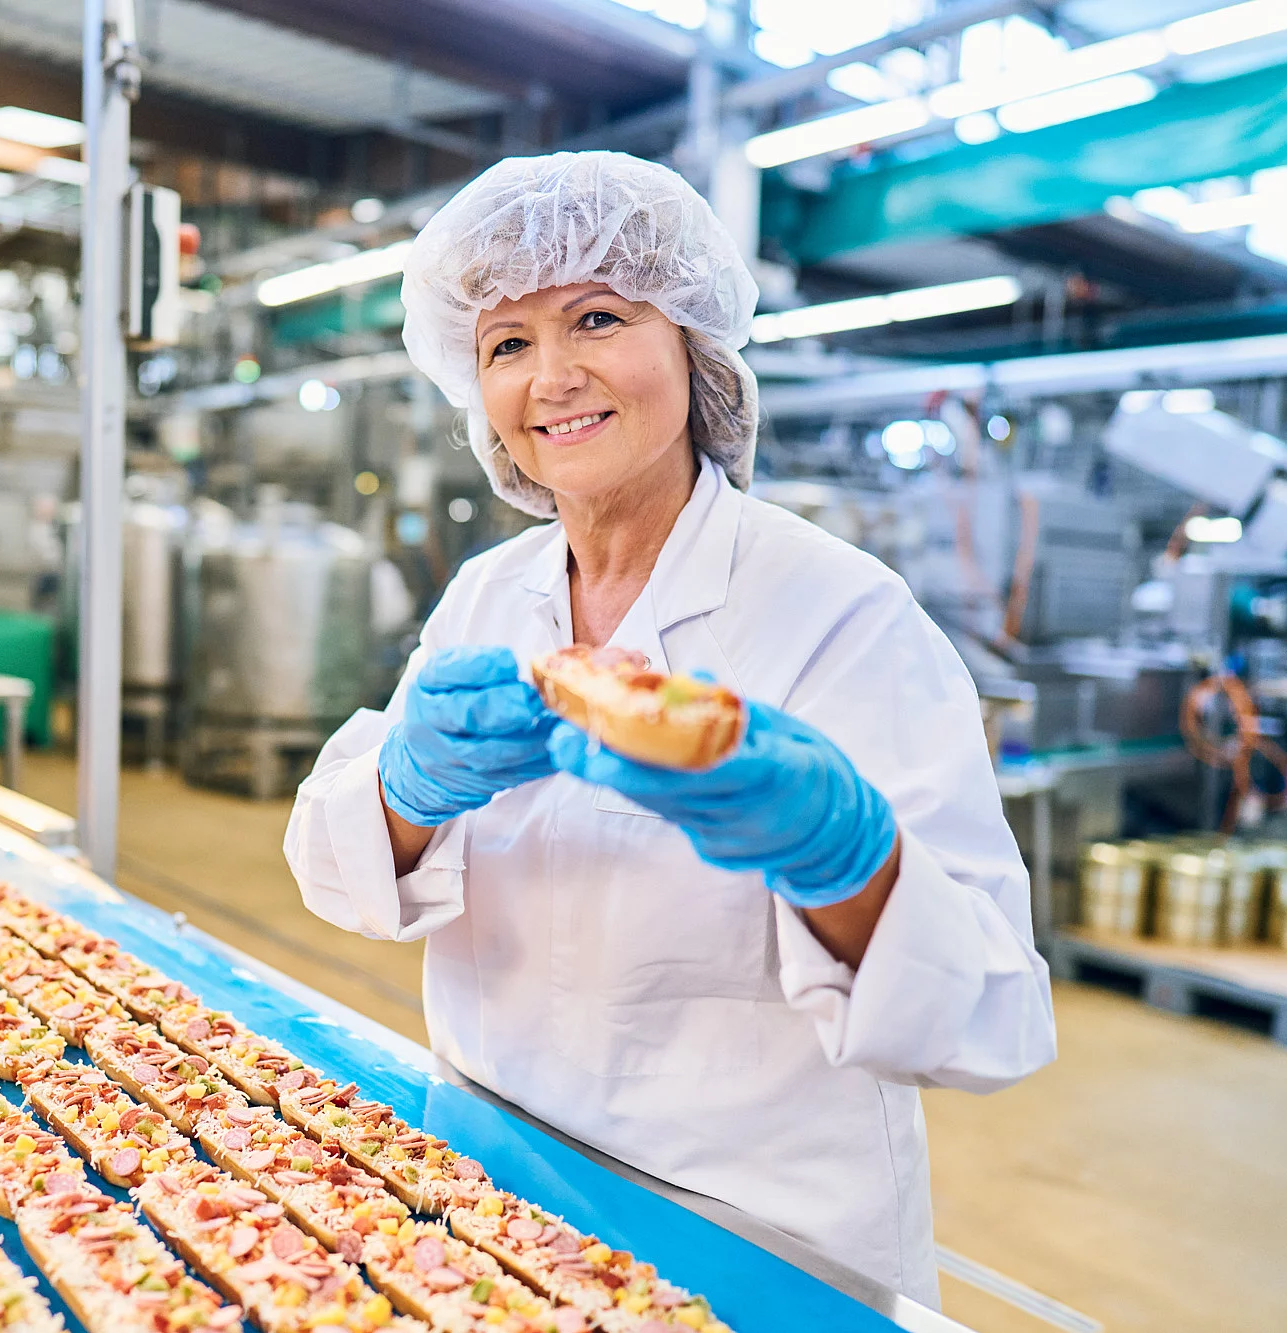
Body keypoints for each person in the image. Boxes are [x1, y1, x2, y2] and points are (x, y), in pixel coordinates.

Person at [283, 151, 1055, 1306]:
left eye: (596, 316)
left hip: (754, 1241)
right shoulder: (490, 598)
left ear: (692, 346)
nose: (551, 376)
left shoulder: (837, 610)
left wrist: (843, 857)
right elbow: (329, 872)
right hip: (498, 1197)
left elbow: (987, 1014)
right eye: (505, 344)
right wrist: (404, 786)